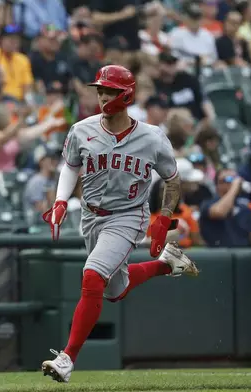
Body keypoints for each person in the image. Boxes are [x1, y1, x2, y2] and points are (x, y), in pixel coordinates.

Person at [40, 65, 199, 383]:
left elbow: (172, 179)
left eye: (109, 90)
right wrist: (60, 201)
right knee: (115, 289)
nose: (102, 95)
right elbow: (71, 167)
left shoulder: (151, 136)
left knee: (93, 275)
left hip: (128, 216)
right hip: (91, 217)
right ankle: (166, 265)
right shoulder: (82, 129)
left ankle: (67, 358)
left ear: (125, 94)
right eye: (99, 89)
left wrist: (164, 216)